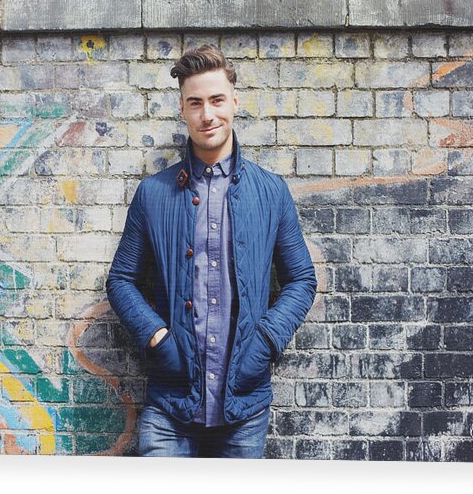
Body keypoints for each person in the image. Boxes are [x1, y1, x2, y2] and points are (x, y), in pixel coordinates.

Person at [105, 44, 317, 458]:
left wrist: (265, 341)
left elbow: (302, 280)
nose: (208, 114)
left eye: (217, 100)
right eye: (196, 103)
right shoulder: (154, 194)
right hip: (170, 403)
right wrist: (158, 338)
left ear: (235, 102)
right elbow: (121, 280)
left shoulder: (271, 192)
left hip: (245, 405)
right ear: (182, 109)